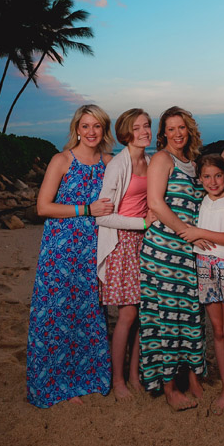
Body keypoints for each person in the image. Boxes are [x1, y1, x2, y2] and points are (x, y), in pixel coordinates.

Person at [26, 105, 115, 408]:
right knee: (56, 314)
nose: (91, 132)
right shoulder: (62, 160)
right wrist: (85, 209)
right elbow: (43, 207)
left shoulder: (109, 162)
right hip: (61, 249)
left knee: (87, 314)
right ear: (77, 128)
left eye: (97, 127)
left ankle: (85, 379)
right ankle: (56, 383)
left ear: (104, 130)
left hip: (95, 248)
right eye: (86, 126)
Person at [139, 106, 208, 410]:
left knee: (191, 315)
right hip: (163, 250)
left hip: (188, 253)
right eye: (171, 129)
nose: (177, 133)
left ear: (189, 129)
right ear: (163, 134)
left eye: (182, 127)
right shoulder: (161, 159)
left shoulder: (193, 163)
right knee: (166, 316)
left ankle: (193, 377)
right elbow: (155, 201)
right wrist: (185, 230)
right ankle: (168, 386)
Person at [180, 154, 224, 415]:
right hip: (205, 267)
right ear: (199, 179)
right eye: (207, 176)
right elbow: (187, 230)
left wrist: (198, 233)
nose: (213, 181)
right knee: (218, 332)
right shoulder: (201, 202)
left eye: (218, 175)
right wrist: (193, 238)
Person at [96, 109, 156, 400]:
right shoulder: (118, 165)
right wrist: (142, 223)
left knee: (142, 314)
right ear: (126, 133)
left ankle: (134, 375)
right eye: (137, 128)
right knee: (127, 314)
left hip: (146, 244)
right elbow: (103, 217)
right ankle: (118, 379)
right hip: (122, 244)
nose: (145, 131)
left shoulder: (151, 161)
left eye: (147, 126)